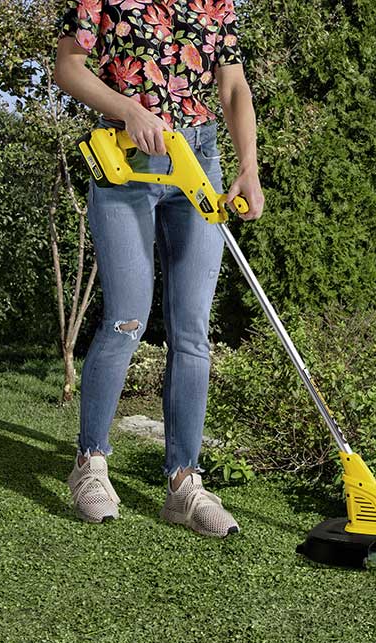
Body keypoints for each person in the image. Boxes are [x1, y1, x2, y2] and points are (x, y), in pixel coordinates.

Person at [54, 0, 265, 537]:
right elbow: (68, 67)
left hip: (198, 157)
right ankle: (90, 464)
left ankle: (183, 484)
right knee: (127, 316)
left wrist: (248, 168)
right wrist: (128, 107)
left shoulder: (216, 4)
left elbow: (234, 88)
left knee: (192, 330)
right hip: (126, 159)